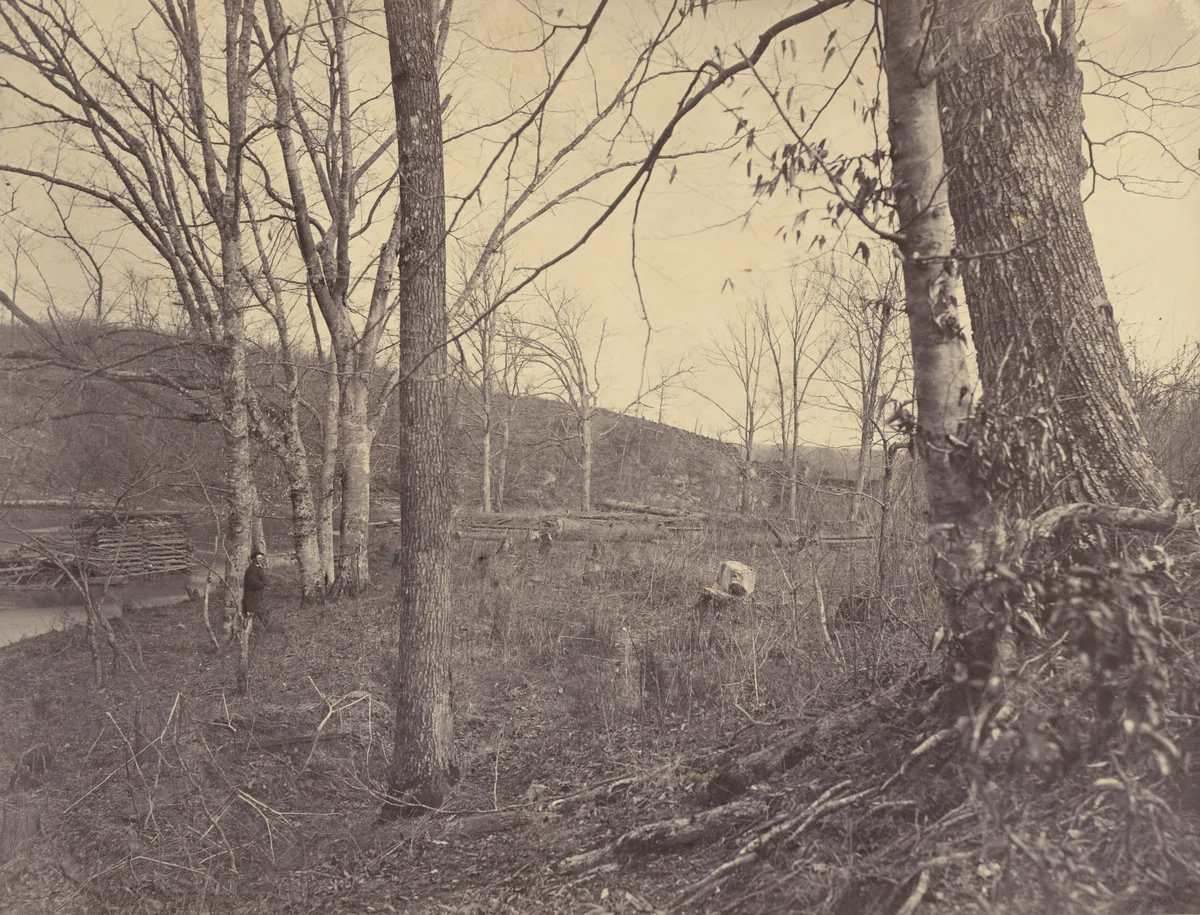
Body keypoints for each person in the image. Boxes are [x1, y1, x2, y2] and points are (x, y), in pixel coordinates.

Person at [242, 551, 270, 631]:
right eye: (258, 558)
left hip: (258, 594)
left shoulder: (258, 567)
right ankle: (267, 628)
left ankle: (267, 628)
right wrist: (264, 584)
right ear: (253, 559)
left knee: (259, 611)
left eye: (261, 558)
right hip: (252, 595)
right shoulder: (251, 569)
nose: (260, 560)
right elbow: (253, 583)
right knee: (252, 613)